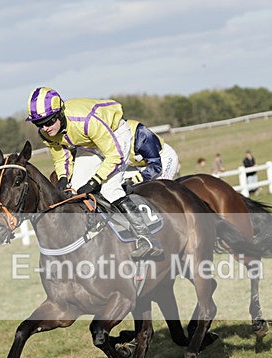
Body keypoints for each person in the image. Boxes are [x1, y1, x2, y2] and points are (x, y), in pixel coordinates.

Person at [26, 87, 177, 260]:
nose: (45, 128)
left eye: (49, 121)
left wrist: (95, 181)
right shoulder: (47, 133)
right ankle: (93, 231)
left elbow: (114, 155)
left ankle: (147, 238)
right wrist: (62, 178)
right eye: (39, 124)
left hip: (115, 133)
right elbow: (61, 159)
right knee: (74, 188)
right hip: (90, 143)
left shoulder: (86, 121)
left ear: (59, 114)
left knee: (110, 189)